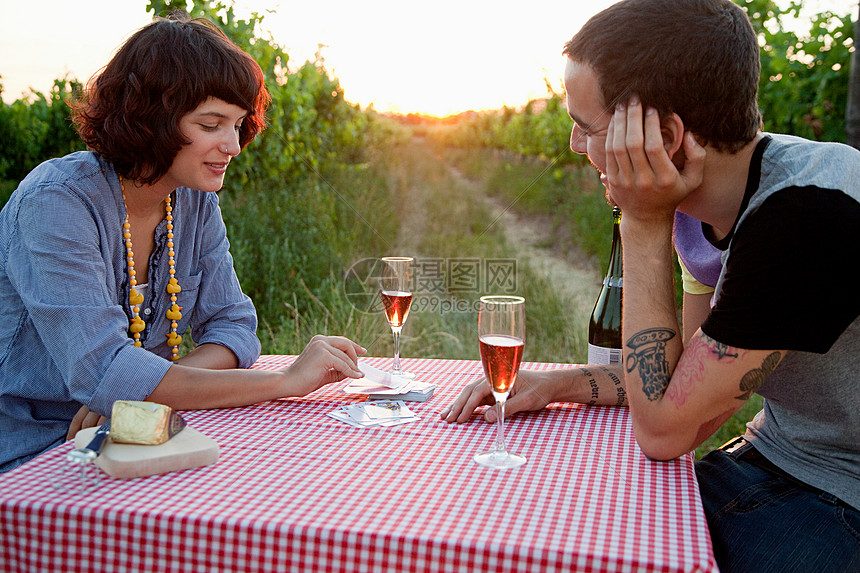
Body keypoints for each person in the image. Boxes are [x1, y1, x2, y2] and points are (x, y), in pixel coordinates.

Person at [442, 0, 860, 570]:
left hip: (843, 494)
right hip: (779, 457)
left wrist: (639, 222)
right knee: (567, 517)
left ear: (662, 134)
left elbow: (666, 433)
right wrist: (554, 384)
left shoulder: (806, 218)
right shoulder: (704, 205)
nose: (571, 145)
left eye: (584, 127)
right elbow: (676, 377)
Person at [0, 13, 365, 473]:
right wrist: (286, 381)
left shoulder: (190, 199)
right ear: (150, 120)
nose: (233, 145)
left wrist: (139, 396)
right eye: (211, 124)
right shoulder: (56, 203)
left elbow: (234, 327)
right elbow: (107, 373)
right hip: (29, 451)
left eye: (238, 124)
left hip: (137, 435)